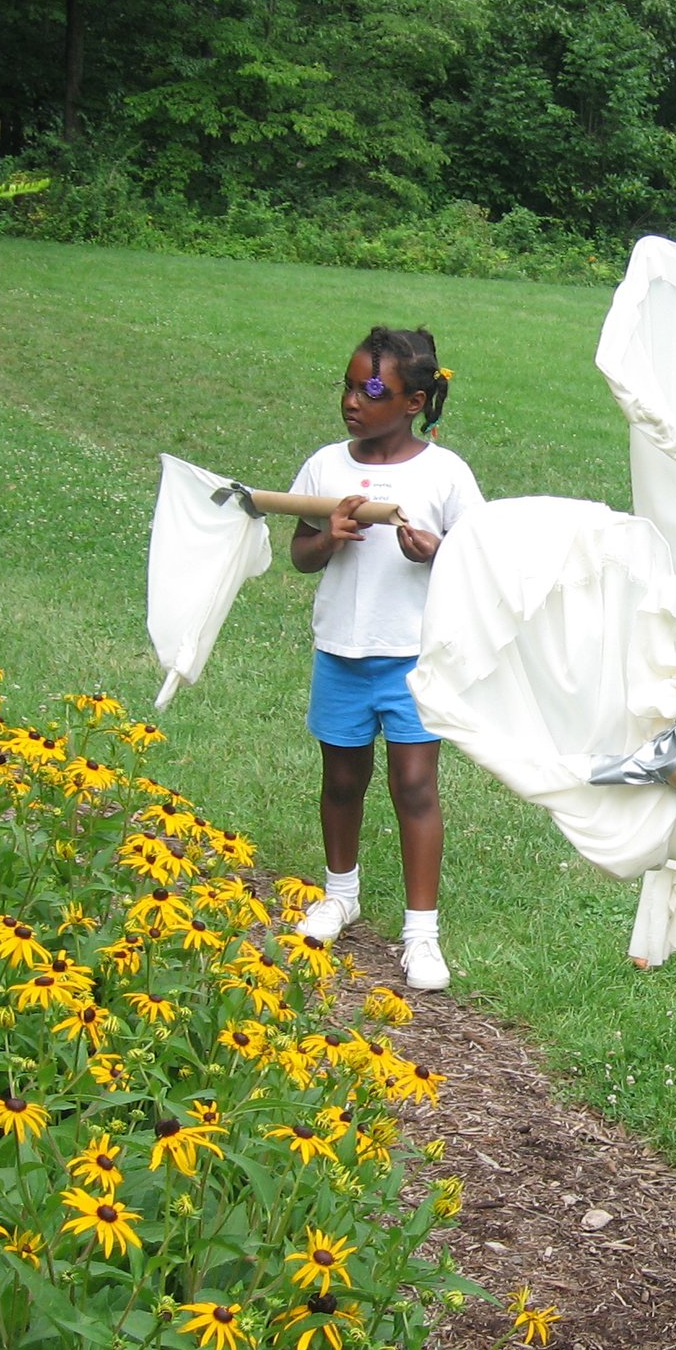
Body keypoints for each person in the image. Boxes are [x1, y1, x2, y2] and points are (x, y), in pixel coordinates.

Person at [286, 327, 483, 990]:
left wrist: (439, 551)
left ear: (414, 401)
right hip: (341, 652)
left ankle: (420, 933)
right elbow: (300, 552)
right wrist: (331, 538)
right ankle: (340, 893)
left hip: (413, 660)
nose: (351, 401)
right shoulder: (324, 466)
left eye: (370, 391)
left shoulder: (444, 473)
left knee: (415, 787)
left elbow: (482, 562)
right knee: (342, 781)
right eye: (346, 385)